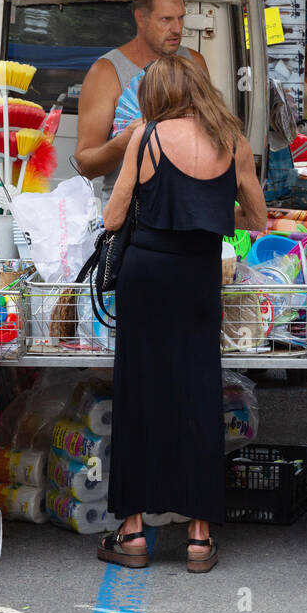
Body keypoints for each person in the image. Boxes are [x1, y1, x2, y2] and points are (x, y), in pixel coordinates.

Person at [97, 54, 267, 571]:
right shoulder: (232, 140)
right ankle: (198, 537)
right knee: (197, 393)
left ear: (157, 93)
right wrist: (211, 209)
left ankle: (132, 536)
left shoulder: (144, 137)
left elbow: (113, 216)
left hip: (145, 277)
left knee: (139, 394)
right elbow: (257, 217)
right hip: (198, 278)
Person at [74, 0, 208, 196]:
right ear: (140, 18)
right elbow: (86, 166)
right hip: (130, 212)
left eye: (181, 18)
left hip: (189, 205)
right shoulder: (107, 73)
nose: (177, 29)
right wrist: (125, 141)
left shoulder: (195, 63)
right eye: (166, 19)